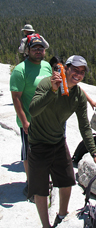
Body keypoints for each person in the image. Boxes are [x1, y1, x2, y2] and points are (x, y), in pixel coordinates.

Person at [27, 55, 96, 228]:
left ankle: (62, 216)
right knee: (40, 189)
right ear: (66, 69)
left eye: (82, 72)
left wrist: (94, 153)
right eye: (75, 70)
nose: (78, 74)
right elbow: (33, 110)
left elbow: (84, 126)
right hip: (38, 143)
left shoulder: (78, 95)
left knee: (67, 180)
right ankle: (46, 226)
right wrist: (52, 91)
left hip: (57, 141)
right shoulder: (47, 84)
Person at [10, 37, 52, 199]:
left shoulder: (46, 66)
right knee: (30, 154)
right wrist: (24, 121)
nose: (38, 51)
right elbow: (16, 98)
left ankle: (43, 180)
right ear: (27, 50)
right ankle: (32, 185)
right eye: (34, 48)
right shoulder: (20, 70)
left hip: (46, 120)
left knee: (45, 152)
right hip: (29, 121)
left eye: (41, 48)